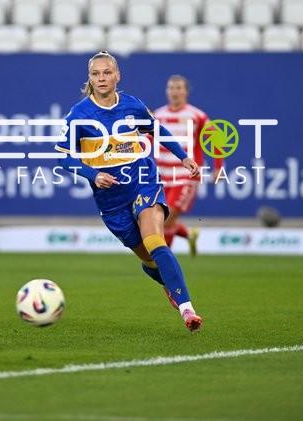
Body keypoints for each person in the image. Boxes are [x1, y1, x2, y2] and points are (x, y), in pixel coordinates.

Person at [55, 51, 204, 333]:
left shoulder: (133, 105)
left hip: (142, 180)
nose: (101, 78)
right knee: (149, 261)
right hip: (111, 200)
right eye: (96, 74)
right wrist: (93, 174)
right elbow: (63, 157)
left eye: (107, 72)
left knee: (155, 241)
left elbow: (157, 131)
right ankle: (170, 285)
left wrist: (184, 157)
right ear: (90, 78)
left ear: (117, 75)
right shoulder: (79, 115)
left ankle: (188, 311)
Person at [152, 75, 223, 257]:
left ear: (186, 91)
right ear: (166, 91)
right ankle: (189, 235)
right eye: (171, 88)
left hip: (186, 175)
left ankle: (164, 264)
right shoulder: (158, 116)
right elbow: (146, 140)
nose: (174, 92)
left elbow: (216, 139)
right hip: (162, 176)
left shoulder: (196, 115)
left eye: (178, 88)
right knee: (162, 219)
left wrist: (218, 167)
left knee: (166, 219)